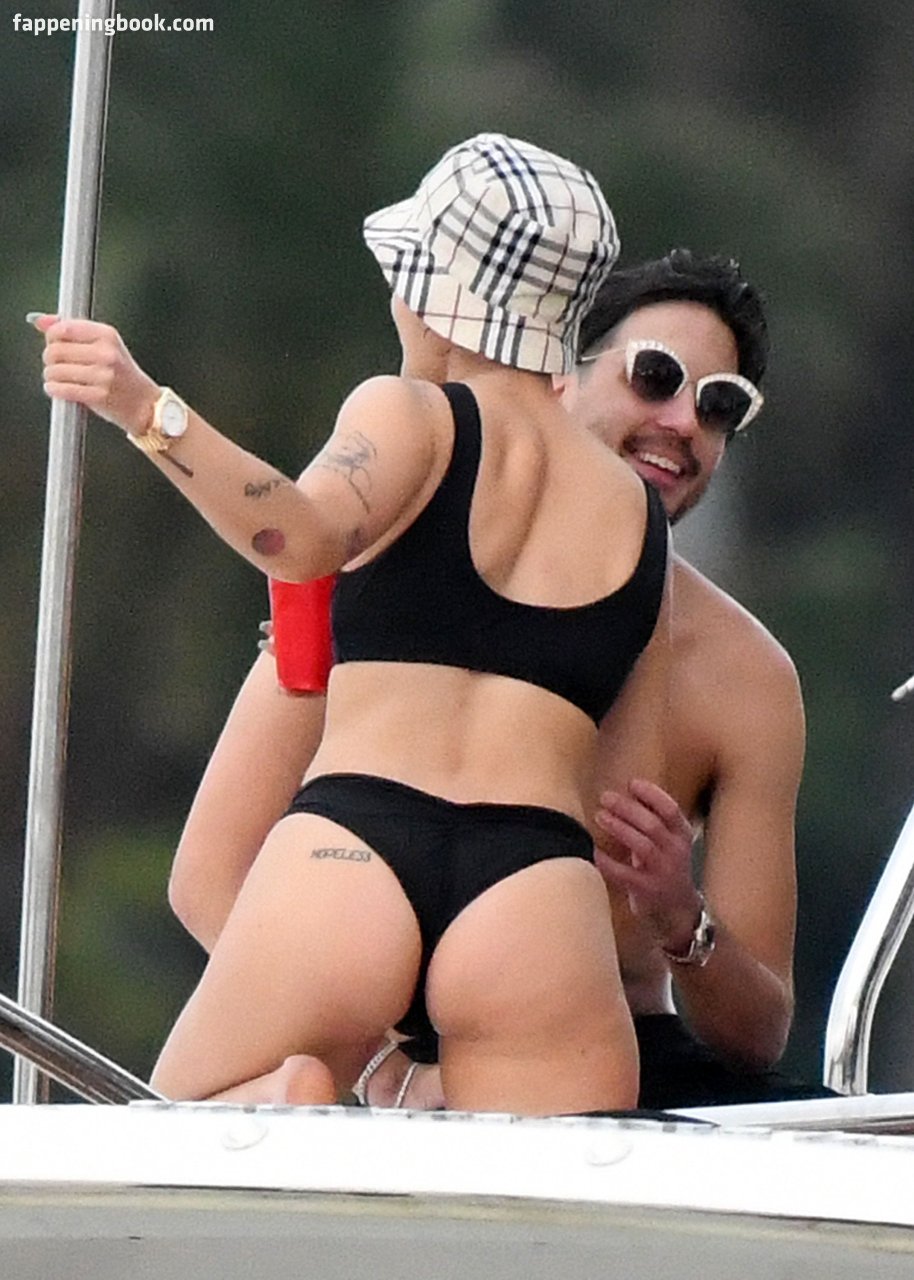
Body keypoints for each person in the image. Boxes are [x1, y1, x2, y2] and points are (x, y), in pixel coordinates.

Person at [35, 132, 672, 1115]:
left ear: (432, 293)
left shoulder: (410, 412)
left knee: (177, 1146)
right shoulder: (634, 511)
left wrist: (144, 407)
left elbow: (297, 539)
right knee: (530, 1209)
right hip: (536, 891)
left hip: (353, 850)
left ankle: (286, 1096)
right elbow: (618, 765)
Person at [168, 249, 825, 1113]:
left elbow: (757, 1033)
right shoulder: (395, 554)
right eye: (655, 376)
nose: (681, 421)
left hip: (606, 1051)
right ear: (559, 371)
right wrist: (384, 1069)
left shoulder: (747, 677)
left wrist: (680, 917)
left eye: (720, 406)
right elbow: (211, 876)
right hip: (396, 1044)